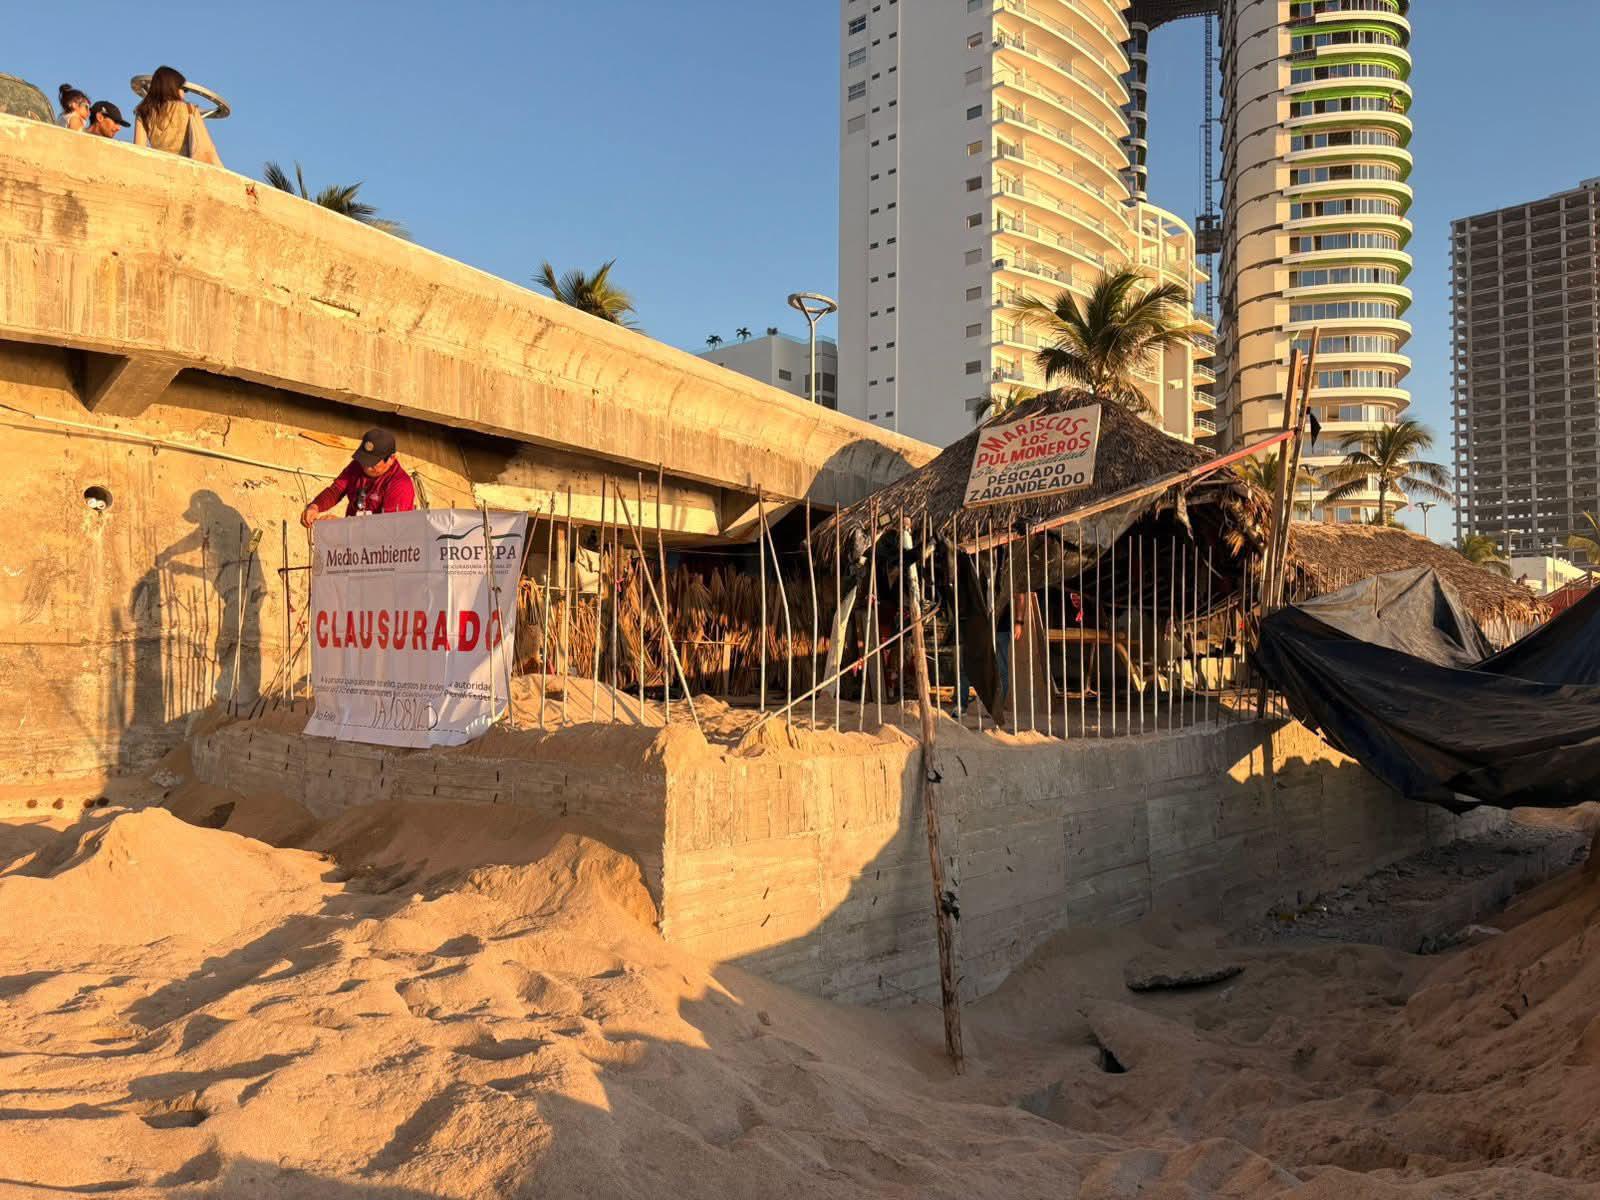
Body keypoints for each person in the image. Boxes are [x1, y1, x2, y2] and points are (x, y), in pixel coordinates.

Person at [301, 428, 416, 527]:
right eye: (363, 459)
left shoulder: (400, 484)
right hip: (353, 543)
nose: (365, 466)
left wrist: (342, 525)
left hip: (384, 550)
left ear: (391, 459)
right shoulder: (356, 466)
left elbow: (388, 527)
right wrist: (315, 506)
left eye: (372, 463)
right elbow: (335, 490)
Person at [132, 66, 222, 166]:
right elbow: (207, 148)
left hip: (161, 167)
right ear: (173, 87)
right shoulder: (189, 109)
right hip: (185, 167)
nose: (184, 93)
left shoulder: (143, 112)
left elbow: (139, 148)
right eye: (183, 89)